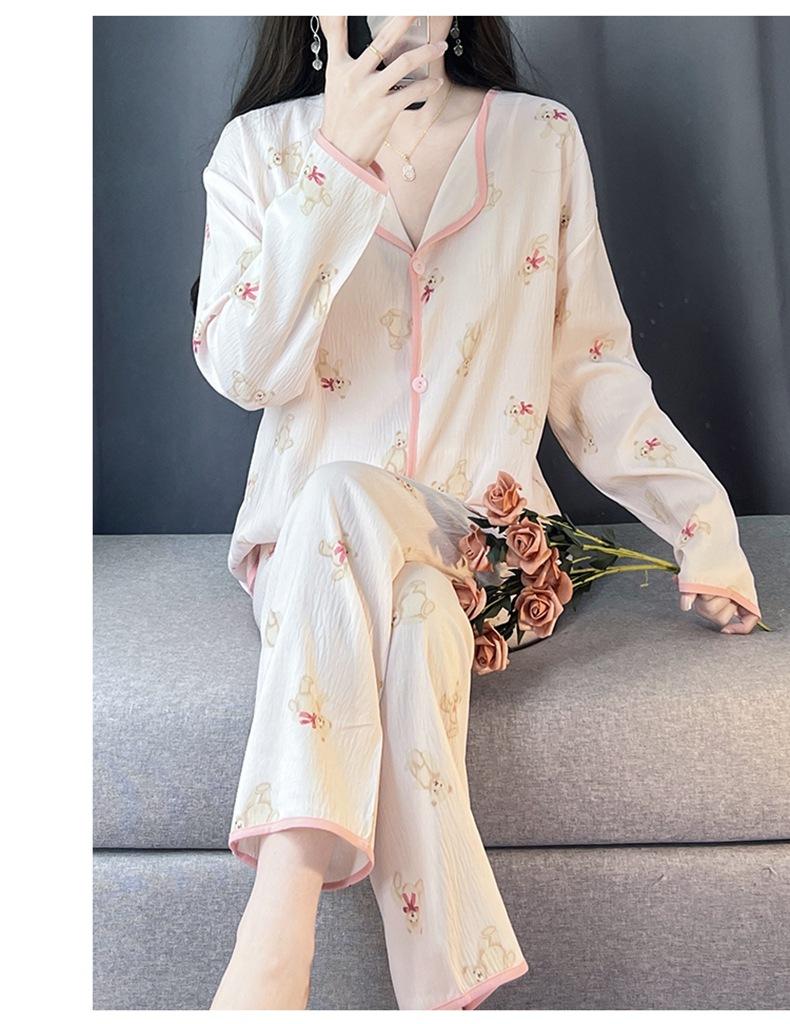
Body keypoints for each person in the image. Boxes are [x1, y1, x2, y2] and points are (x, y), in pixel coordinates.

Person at [189, 15, 762, 1011]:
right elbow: (246, 371)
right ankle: (444, 993)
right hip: (313, 560)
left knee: (372, 528)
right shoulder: (260, 151)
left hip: (489, 553)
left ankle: (274, 936)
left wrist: (703, 524)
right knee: (404, 602)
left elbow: (590, 371)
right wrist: (336, 162)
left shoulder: (539, 141)